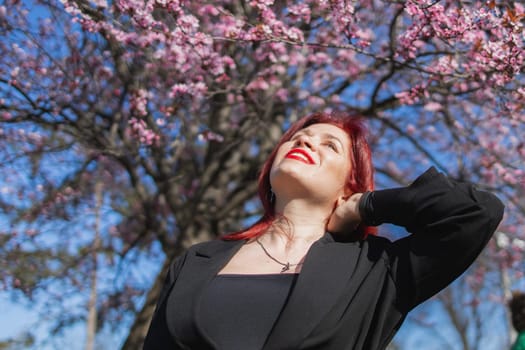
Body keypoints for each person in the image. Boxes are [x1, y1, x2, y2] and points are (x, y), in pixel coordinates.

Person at [143, 112, 504, 350]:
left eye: (329, 145)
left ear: (349, 185)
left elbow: (477, 212)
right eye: (299, 137)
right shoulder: (196, 262)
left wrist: (366, 206)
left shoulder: (377, 271)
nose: (305, 141)